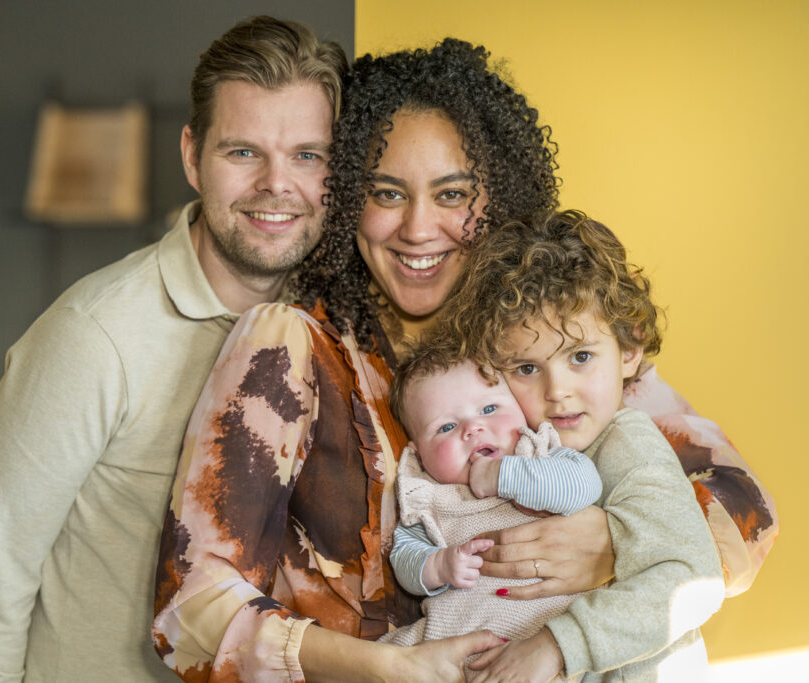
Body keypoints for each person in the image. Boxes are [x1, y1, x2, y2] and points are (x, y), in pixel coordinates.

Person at [153, 39, 777, 682]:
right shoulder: (292, 349)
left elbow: (743, 508)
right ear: (343, 199)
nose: (419, 229)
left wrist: (611, 545)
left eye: (453, 195)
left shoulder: (541, 340)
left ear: (499, 197)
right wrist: (386, 668)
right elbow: (190, 610)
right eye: (387, 193)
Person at [0, 16, 347, 682]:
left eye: (308, 154)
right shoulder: (93, 336)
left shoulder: (338, 331)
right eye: (243, 152)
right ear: (192, 156)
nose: (278, 183)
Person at [388, 210, 727, 680]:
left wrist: (556, 645)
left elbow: (692, 580)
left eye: (581, 357)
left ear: (629, 351)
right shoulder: (511, 446)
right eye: (526, 368)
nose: (557, 391)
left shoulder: (625, 442)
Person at [383, 354, 602, 650]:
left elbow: (583, 487)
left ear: (521, 410)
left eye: (489, 408)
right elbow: (404, 556)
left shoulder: (540, 454)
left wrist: (500, 475)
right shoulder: (427, 496)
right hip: (461, 639)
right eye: (446, 427)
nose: (472, 428)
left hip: (561, 633)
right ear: (419, 454)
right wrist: (438, 565)